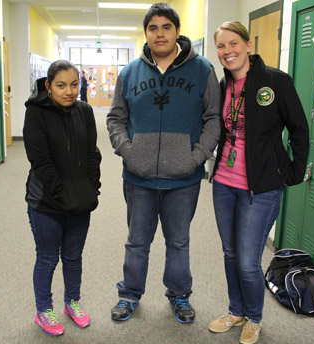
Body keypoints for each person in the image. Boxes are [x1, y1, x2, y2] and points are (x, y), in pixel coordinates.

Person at [106, 2, 221, 324]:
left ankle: (179, 295)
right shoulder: (130, 73)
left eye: (166, 27)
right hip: (138, 177)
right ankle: (129, 295)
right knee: (137, 242)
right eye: (153, 28)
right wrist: (129, 151)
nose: (160, 34)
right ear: (146, 33)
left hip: (183, 179)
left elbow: (213, 119)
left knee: (179, 243)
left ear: (177, 31)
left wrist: (196, 157)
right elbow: (116, 118)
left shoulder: (203, 70)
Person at [208, 22, 309, 344]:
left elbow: (299, 130)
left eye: (233, 43)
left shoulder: (275, 81)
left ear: (248, 44)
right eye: (221, 46)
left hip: (261, 187)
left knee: (249, 260)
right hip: (224, 182)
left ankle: (254, 317)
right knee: (229, 252)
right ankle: (235, 311)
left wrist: (294, 172)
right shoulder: (223, 86)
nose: (228, 51)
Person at [23, 60, 102, 336]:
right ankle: (44, 310)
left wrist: (92, 187)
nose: (68, 91)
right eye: (60, 85)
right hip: (46, 200)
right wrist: (63, 195)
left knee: (73, 256)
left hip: (79, 200)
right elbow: (40, 161)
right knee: (47, 258)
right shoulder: (35, 112)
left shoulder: (85, 111)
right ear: (48, 86)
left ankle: (72, 303)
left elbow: (93, 153)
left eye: (73, 84)